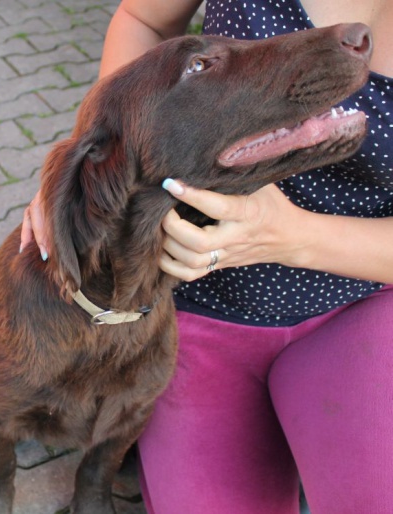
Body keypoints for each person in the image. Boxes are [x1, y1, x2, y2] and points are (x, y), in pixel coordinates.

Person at [21, 1, 393, 513]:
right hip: (189, 300)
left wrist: (292, 236)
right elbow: (143, 19)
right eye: (203, 64)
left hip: (359, 304)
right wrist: (98, 154)